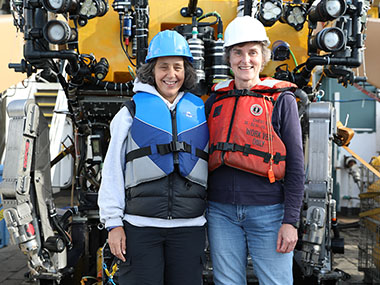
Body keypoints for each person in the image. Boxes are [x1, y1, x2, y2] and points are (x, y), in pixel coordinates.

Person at [98, 30, 209, 285]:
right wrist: (113, 224)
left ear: (187, 71)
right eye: (163, 67)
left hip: (189, 228)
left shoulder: (201, 110)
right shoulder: (130, 112)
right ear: (151, 70)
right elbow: (113, 170)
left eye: (178, 67)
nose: (171, 75)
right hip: (140, 229)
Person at [205, 16, 305, 285]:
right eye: (237, 52)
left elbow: (296, 165)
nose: (245, 60)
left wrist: (291, 221)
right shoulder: (215, 100)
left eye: (252, 52)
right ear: (228, 58)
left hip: (270, 212)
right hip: (220, 211)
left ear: (263, 57)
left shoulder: (282, 100)